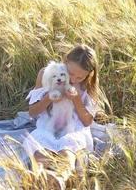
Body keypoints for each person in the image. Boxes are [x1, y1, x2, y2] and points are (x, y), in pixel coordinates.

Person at [23, 44, 102, 189]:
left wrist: (76, 99)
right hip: (48, 125)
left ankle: (60, 178)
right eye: (71, 73)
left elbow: (87, 122)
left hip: (74, 128)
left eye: (80, 77)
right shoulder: (46, 74)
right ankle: (39, 178)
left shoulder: (88, 84)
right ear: (65, 62)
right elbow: (32, 112)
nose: (74, 79)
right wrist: (48, 99)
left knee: (67, 152)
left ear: (88, 74)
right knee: (40, 153)